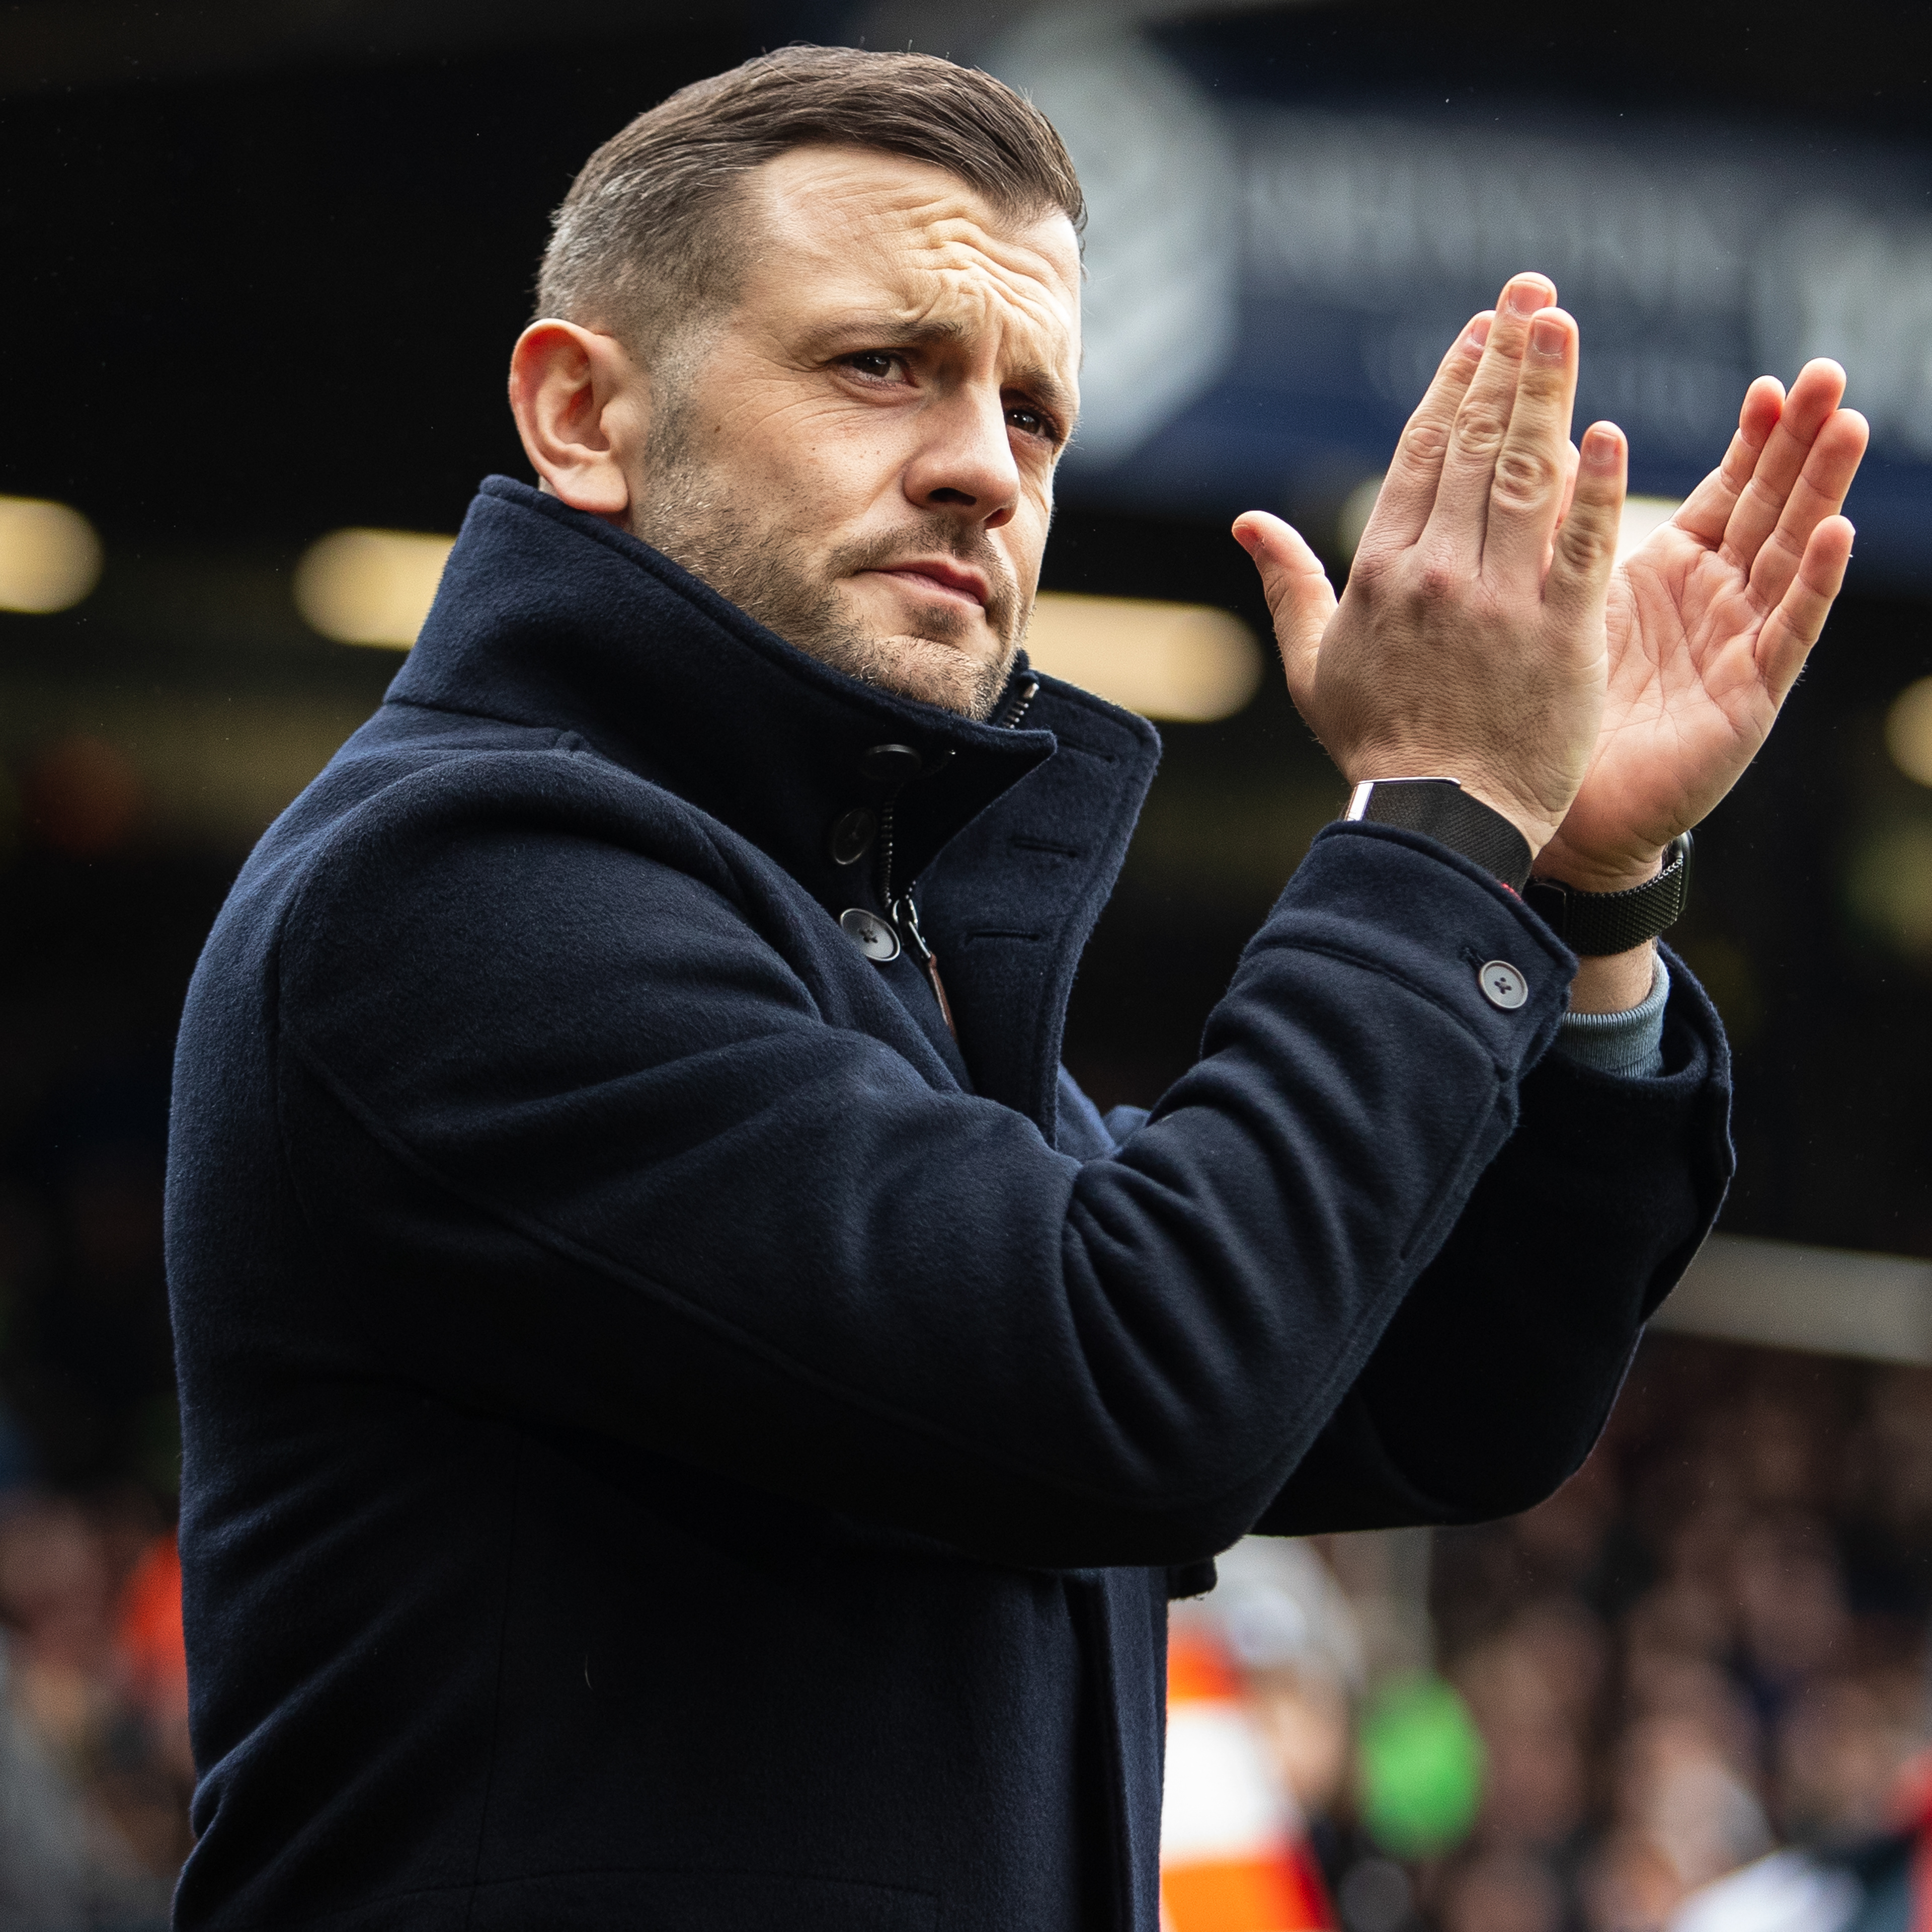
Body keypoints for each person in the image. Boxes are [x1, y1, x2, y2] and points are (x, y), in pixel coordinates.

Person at [163, 45, 1867, 1931]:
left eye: (1035, 410)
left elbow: (1447, 1396)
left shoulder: (866, 954)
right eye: (880, 364)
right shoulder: (456, 890)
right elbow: (1142, 1380)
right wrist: (1440, 818)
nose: (987, 465)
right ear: (584, 415)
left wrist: (1581, 885)